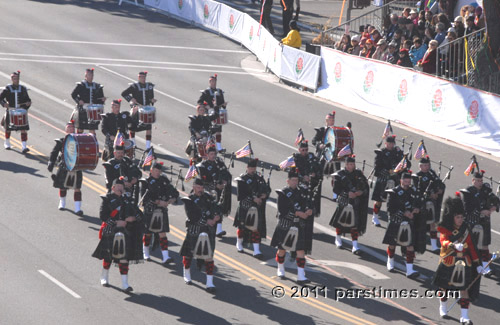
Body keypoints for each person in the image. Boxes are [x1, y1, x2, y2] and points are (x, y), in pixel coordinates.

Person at [432, 195, 483, 323]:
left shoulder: (466, 229)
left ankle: (464, 316)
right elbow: (443, 240)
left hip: (463, 262)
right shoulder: (446, 228)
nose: (460, 220)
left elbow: (472, 247)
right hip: (448, 261)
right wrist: (452, 245)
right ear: (452, 217)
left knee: (464, 288)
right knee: (444, 287)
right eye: (457, 217)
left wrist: (477, 263)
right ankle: (442, 307)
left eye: (461, 217)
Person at [92, 177, 144, 292]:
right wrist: (116, 222)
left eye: (122, 187)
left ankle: (125, 284)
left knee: (124, 257)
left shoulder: (128, 200)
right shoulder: (107, 199)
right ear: (113, 188)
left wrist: (133, 218)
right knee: (108, 256)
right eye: (118, 187)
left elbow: (139, 214)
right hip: (111, 230)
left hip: (125, 232)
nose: (121, 189)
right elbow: (103, 215)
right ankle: (104, 277)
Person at [271, 168, 313, 284]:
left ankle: (300, 276)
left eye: (296, 180)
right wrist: (297, 213)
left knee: (300, 250)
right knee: (282, 249)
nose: (295, 182)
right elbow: (282, 211)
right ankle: (280, 268)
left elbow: (307, 204)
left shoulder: (301, 192)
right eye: (293, 180)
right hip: (285, 225)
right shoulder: (283, 193)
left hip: (298, 224)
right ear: (287, 181)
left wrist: (308, 210)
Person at [180, 178, 222, 293]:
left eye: (202, 187)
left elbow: (216, 208)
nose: (200, 190)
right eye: (198, 187)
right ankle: (187, 273)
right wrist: (207, 221)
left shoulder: (208, 197)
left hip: (208, 231)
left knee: (209, 256)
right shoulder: (189, 200)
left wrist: (216, 217)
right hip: (195, 230)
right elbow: (192, 216)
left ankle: (209, 282)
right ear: (193, 187)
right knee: (189, 254)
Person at [460, 170, 499, 277]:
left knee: (484, 244)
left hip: (484, 221)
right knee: (470, 244)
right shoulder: (468, 192)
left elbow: (496, 200)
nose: (480, 183)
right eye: (478, 180)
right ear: (473, 180)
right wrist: (481, 211)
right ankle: (468, 264)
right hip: (472, 221)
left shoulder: (485, 190)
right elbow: (466, 208)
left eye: (481, 180)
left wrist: (493, 207)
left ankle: (486, 266)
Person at [383, 172, 422, 278]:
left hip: (409, 221)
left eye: (409, 182)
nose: (407, 183)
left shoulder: (413, 191)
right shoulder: (394, 192)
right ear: (401, 180)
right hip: (396, 220)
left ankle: (409, 270)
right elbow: (390, 208)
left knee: (410, 245)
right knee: (392, 243)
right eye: (405, 181)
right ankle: (390, 261)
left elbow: (418, 203)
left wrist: (417, 209)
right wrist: (404, 213)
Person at [140, 161, 179, 264]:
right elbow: (145, 197)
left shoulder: (164, 181)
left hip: (161, 211)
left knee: (162, 233)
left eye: (159, 171)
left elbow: (174, 192)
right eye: (156, 170)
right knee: (148, 233)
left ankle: (165, 257)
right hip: (150, 210)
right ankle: (146, 252)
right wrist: (158, 202)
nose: (158, 173)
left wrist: (172, 200)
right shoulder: (146, 182)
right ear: (151, 170)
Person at [329, 156, 369, 254]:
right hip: (344, 201)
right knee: (341, 222)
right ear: (346, 165)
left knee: (354, 224)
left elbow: (365, 186)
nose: (352, 166)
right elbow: (336, 189)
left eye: (353, 164)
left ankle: (355, 246)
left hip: (355, 202)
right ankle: (338, 239)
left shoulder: (358, 173)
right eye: (350, 164)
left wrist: (361, 192)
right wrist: (347, 193)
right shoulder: (340, 174)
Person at [234, 158, 270, 259]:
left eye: (254, 168)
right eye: (251, 168)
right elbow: (241, 195)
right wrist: (253, 198)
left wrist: (264, 195)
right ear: (247, 168)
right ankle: (239, 243)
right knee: (242, 227)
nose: (253, 170)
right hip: (245, 207)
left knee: (255, 229)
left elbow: (267, 188)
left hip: (256, 208)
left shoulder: (258, 178)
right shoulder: (242, 179)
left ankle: (256, 250)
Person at [47, 120, 84, 215]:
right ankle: (62, 203)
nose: (71, 129)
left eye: (72, 128)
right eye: (69, 128)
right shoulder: (62, 141)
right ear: (65, 130)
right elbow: (54, 152)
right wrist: (51, 162)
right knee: (62, 187)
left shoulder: (80, 141)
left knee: (77, 188)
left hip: (76, 167)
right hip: (64, 166)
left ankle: (77, 208)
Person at [196, 146, 232, 238]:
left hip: (219, 190)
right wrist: (215, 186)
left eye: (214, 154)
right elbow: (203, 181)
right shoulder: (202, 166)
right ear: (207, 155)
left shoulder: (219, 162)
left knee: (219, 208)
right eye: (211, 154)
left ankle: (219, 229)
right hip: (208, 192)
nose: (213, 156)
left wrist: (224, 181)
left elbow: (226, 173)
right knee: (209, 210)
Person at [412, 156, 445, 252]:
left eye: (428, 165)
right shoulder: (416, 176)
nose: (427, 167)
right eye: (424, 165)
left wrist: (438, 190)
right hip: (421, 204)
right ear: (420, 166)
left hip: (431, 203)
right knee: (419, 224)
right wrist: (430, 194)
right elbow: (417, 191)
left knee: (432, 223)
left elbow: (438, 183)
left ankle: (434, 246)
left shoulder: (432, 174)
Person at [121, 71, 157, 149]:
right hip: (136, 108)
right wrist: (131, 99)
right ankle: (133, 143)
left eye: (143, 77)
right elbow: (124, 93)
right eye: (140, 77)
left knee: (148, 127)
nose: (142, 78)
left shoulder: (149, 86)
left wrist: (152, 100)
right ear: (138, 77)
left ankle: (147, 146)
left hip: (146, 109)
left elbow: (151, 97)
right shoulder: (134, 86)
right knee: (132, 126)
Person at [0, 71, 32, 152]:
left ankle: (24, 146)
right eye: (14, 78)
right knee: (8, 128)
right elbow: (0, 98)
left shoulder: (23, 89)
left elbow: (28, 100)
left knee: (23, 129)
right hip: (10, 110)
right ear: (11, 79)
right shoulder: (7, 89)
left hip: (21, 111)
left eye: (17, 78)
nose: (16, 80)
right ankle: (7, 143)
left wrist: (27, 104)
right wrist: (4, 104)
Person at [70, 68, 106, 135]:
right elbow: (73, 95)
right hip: (83, 108)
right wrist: (79, 101)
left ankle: (93, 142)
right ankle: (79, 140)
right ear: (85, 76)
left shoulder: (98, 86)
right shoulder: (81, 85)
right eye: (89, 75)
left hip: (93, 109)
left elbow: (100, 100)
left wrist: (102, 100)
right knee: (80, 128)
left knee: (92, 129)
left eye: (92, 75)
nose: (91, 76)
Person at [197, 75, 227, 152]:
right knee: (209, 130)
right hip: (209, 114)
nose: (213, 83)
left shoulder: (219, 91)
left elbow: (222, 103)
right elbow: (199, 102)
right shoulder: (206, 92)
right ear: (209, 82)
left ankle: (219, 147)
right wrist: (206, 106)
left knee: (218, 131)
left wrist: (223, 105)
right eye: (212, 81)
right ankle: (207, 146)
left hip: (217, 112)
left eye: (214, 81)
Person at [312, 110, 342, 176]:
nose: (332, 121)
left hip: (334, 153)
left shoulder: (336, 130)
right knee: (319, 172)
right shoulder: (322, 130)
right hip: (324, 153)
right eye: (330, 120)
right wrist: (320, 145)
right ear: (326, 121)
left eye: (333, 120)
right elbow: (314, 140)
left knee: (338, 173)